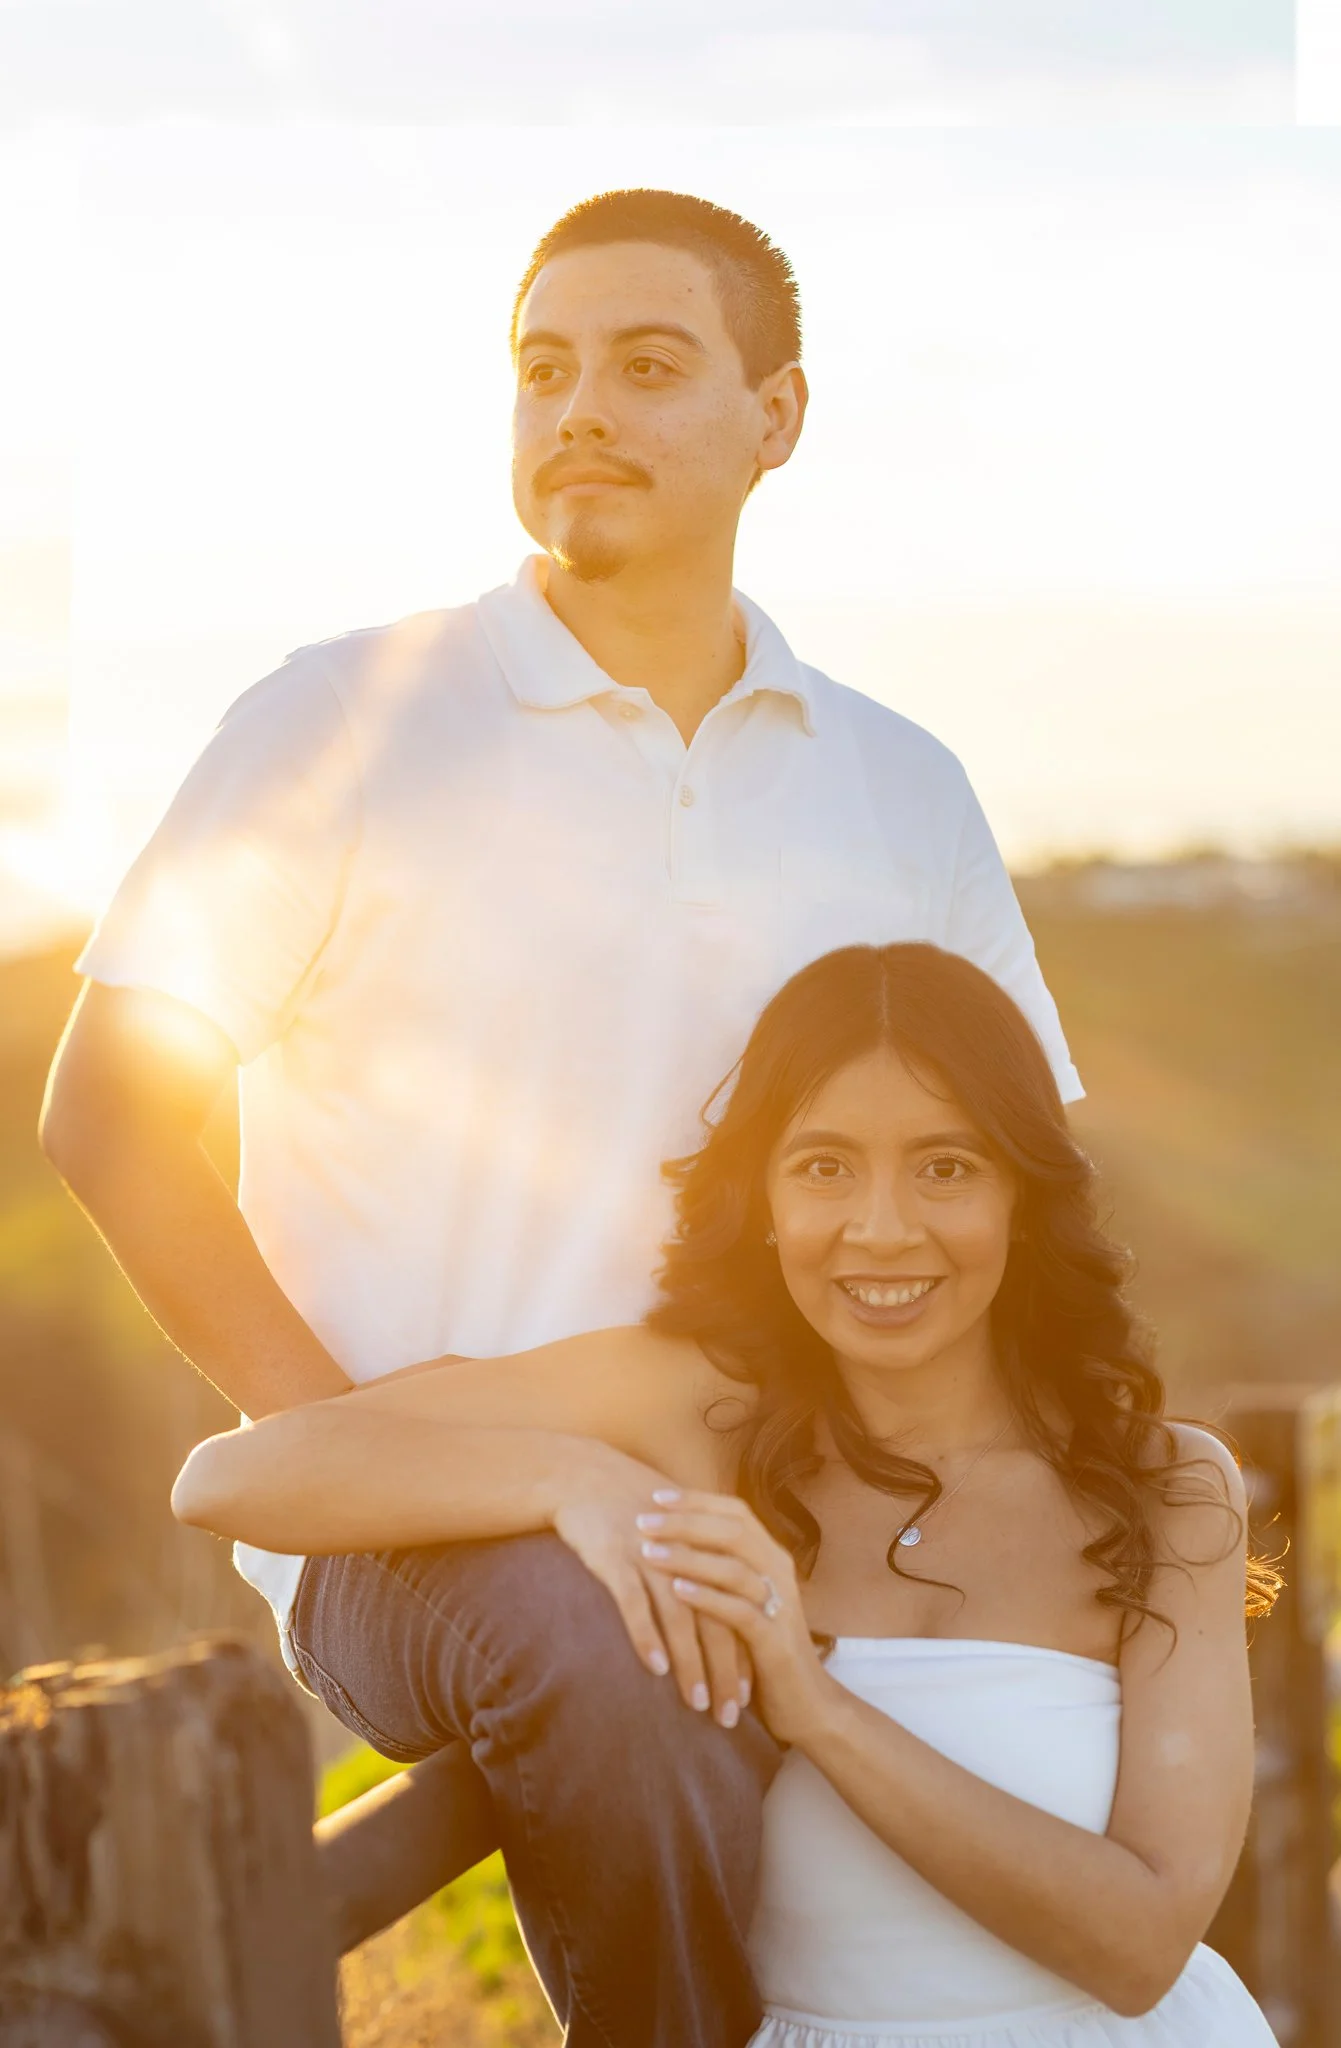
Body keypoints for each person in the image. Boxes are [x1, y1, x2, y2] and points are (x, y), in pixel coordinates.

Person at [41, 191, 1080, 2047]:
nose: (578, 409)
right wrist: (365, 1456)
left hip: (810, 1505)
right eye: (542, 370)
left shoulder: (899, 781)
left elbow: (1032, 1167)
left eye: (647, 365)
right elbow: (108, 1112)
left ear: (780, 416)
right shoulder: (341, 718)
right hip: (438, 1549)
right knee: (606, 1640)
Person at [175, 942, 1279, 2048]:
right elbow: (230, 1476)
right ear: (759, 1197)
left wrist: (816, 1707)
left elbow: (1142, 1945)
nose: (882, 1227)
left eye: (946, 1166)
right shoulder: (689, 1404)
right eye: (824, 1166)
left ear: (1023, 1198)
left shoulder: (1164, 1486)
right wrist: (574, 1478)